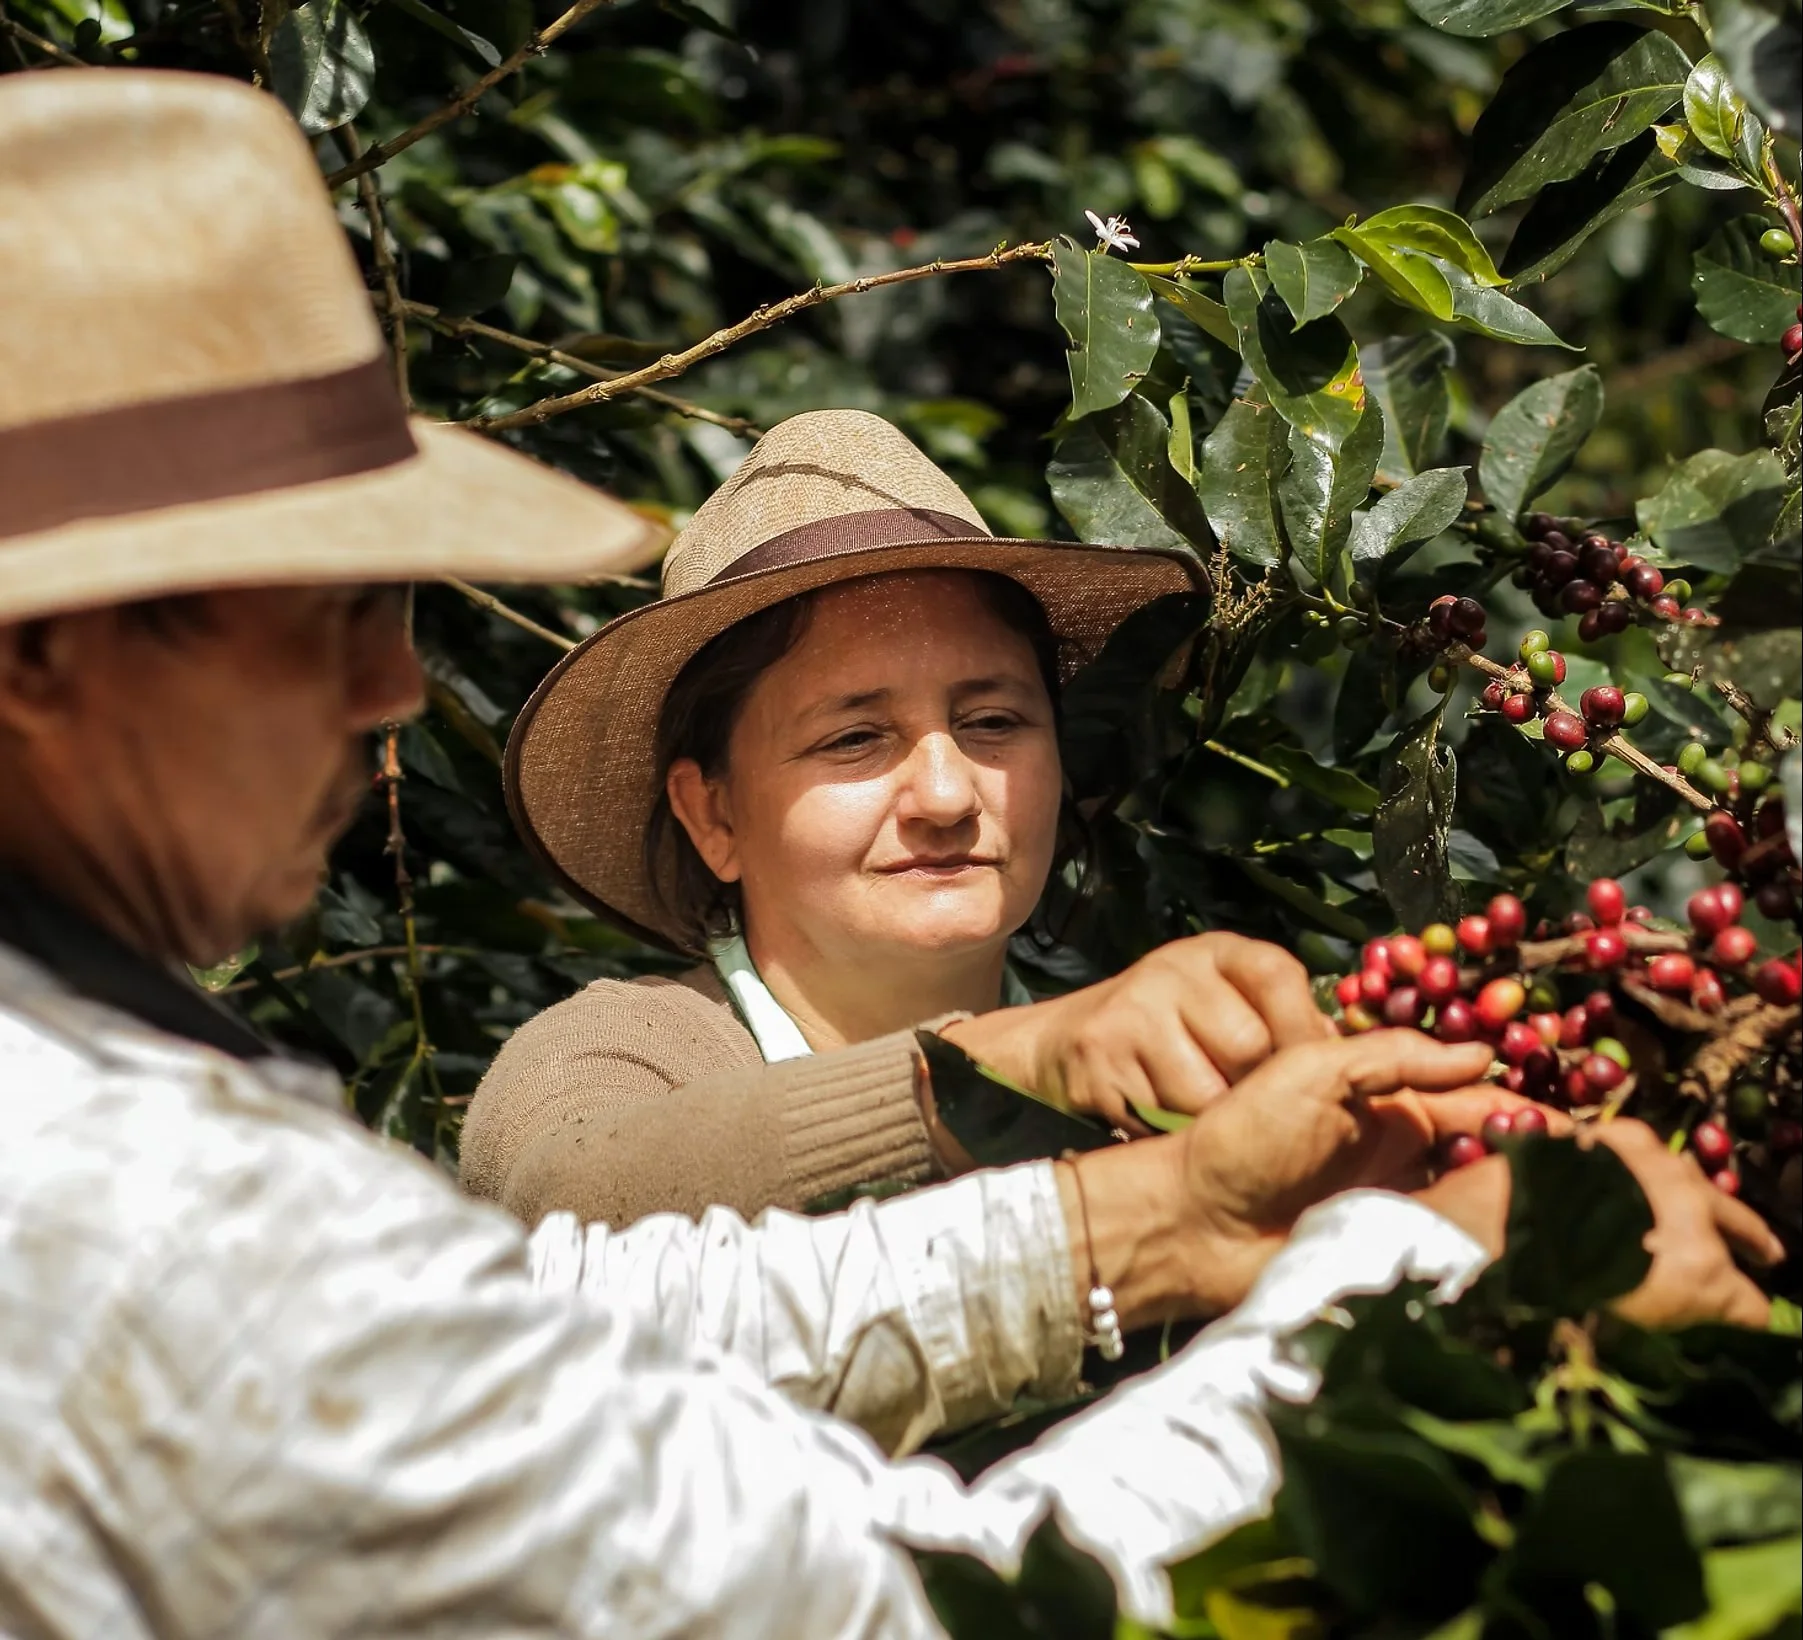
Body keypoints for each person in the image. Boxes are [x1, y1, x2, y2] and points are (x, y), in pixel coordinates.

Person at [0, 70, 1778, 1639]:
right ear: (42, 655)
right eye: (317, 615)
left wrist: (1162, 1214)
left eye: (990, 719)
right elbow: (891, 1603)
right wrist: (1423, 1294)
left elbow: (585, 1332)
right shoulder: (136, 1217)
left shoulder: (96, 1111)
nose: (389, 686)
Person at [463, 409, 1336, 1234]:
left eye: (992, 722)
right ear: (713, 814)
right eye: (853, 739)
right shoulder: (623, 1053)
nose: (947, 797)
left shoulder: (1143, 1080)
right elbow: (565, 1200)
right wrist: (1006, 1069)